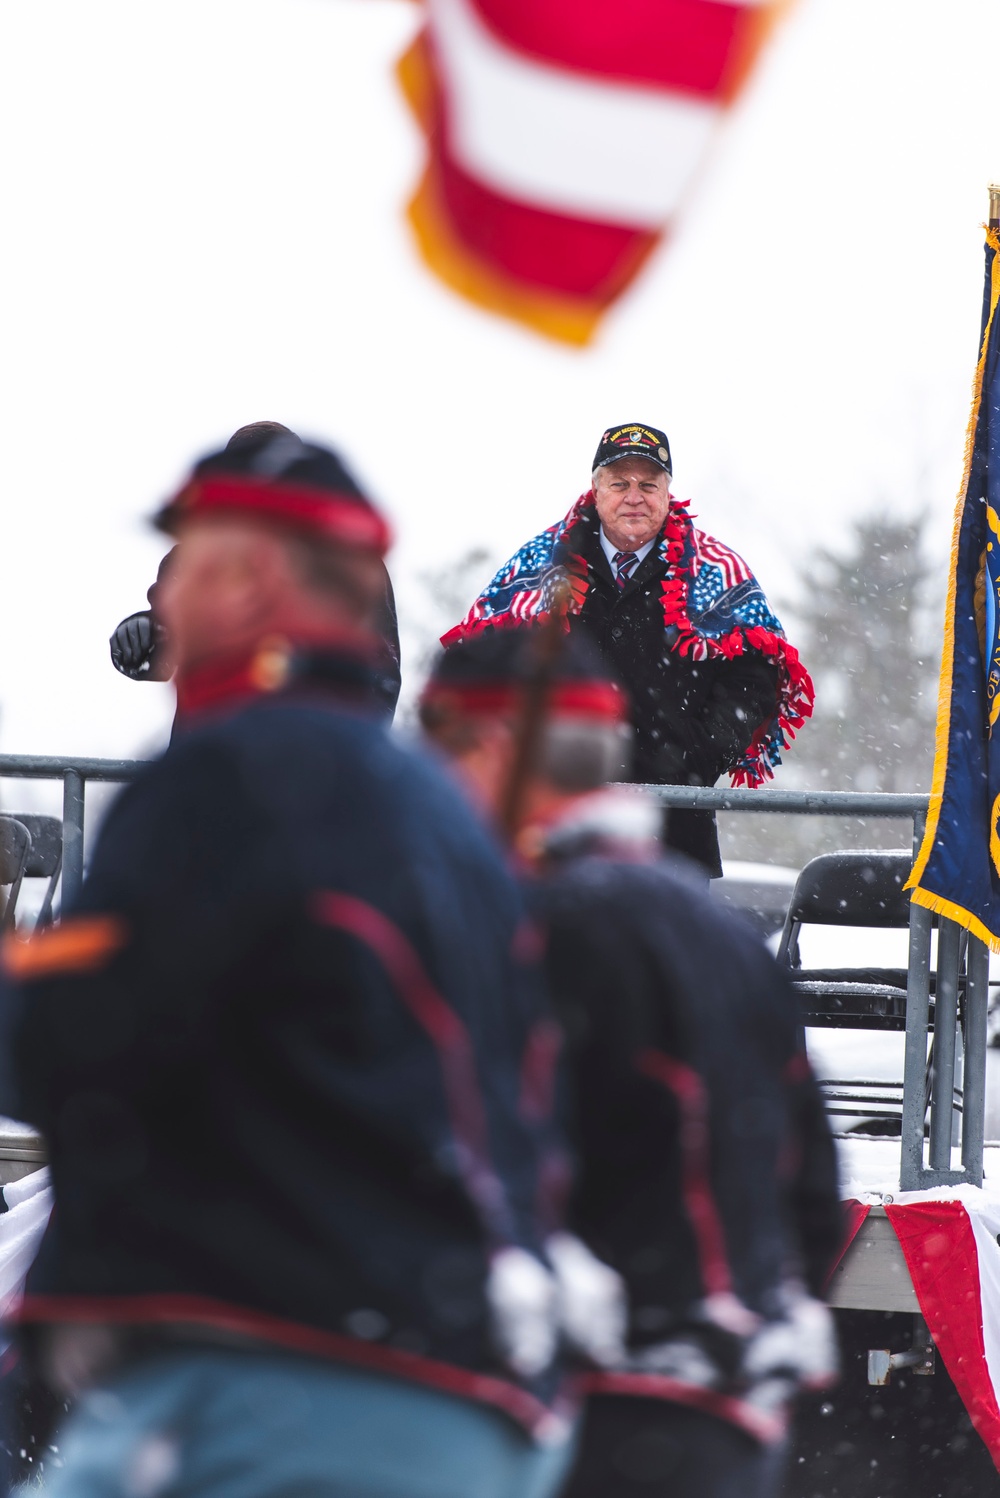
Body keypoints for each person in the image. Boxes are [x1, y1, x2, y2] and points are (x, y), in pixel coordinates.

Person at [0, 432, 577, 1498]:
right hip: (469, 1390)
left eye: (189, 561)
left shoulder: (225, 782)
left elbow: (68, 1038)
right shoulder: (443, 824)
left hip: (288, 1384)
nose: (165, 603)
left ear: (252, 577)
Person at [419, 629, 843, 1498]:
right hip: (726, 1415)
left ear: (496, 746)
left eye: (438, 746)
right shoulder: (727, 934)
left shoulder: (523, 928)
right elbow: (811, 1193)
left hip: (581, 1414)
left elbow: (469, 1170)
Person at [443, 422, 814, 875]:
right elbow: (483, 660)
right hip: (550, 824)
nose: (634, 496)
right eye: (619, 483)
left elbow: (757, 679)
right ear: (596, 490)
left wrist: (694, 758)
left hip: (674, 829)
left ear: (668, 492)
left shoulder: (718, 570)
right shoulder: (540, 563)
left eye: (648, 484)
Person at [110, 421, 403, 717]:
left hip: (320, 742)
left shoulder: (344, 560)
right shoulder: (186, 561)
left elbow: (380, 669)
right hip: (213, 743)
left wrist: (352, 746)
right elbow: (167, 652)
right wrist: (142, 636)